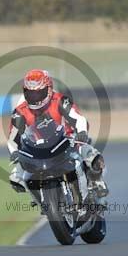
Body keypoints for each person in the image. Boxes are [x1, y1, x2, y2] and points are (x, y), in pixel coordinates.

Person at [7, 68, 108, 204]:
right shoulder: (20, 111)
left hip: (68, 140)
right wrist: (14, 153)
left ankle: (96, 181)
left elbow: (78, 118)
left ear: (48, 89)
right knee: (16, 175)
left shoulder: (60, 100)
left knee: (91, 155)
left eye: (38, 93)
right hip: (39, 149)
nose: (34, 98)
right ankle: (39, 199)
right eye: (30, 93)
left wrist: (82, 132)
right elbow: (13, 137)